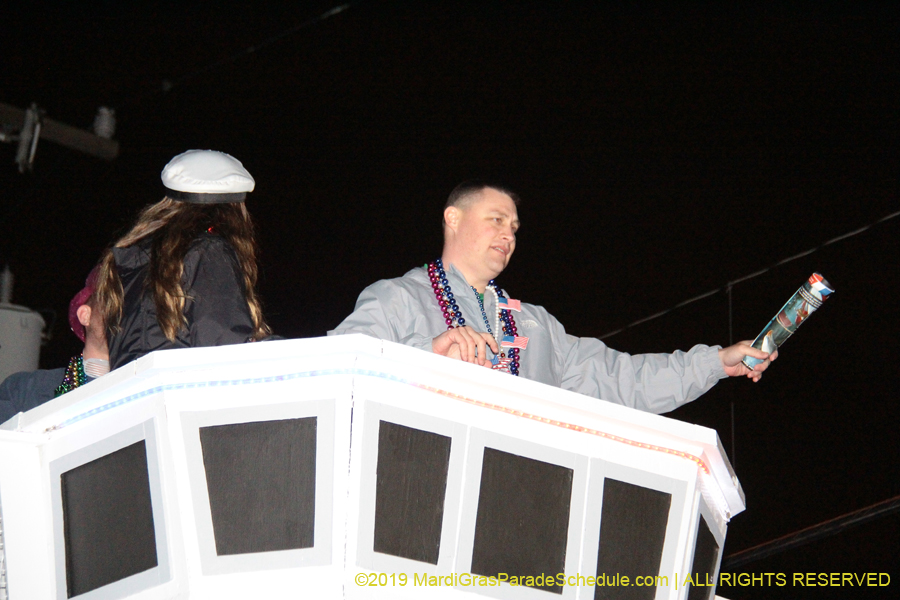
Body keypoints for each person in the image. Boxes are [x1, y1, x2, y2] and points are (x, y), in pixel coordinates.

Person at [330, 181, 775, 414]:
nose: (508, 234)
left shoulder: (536, 326)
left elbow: (623, 379)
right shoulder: (397, 298)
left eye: (514, 228)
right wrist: (426, 356)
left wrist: (715, 362)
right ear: (453, 218)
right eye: (496, 220)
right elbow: (336, 371)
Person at [95, 149, 271, 370]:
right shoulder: (207, 251)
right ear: (234, 210)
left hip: (138, 389)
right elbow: (224, 345)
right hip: (180, 388)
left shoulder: (129, 258)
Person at [0, 266, 110, 422]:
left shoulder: (143, 388)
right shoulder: (24, 391)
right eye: (112, 302)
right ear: (85, 315)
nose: (123, 313)